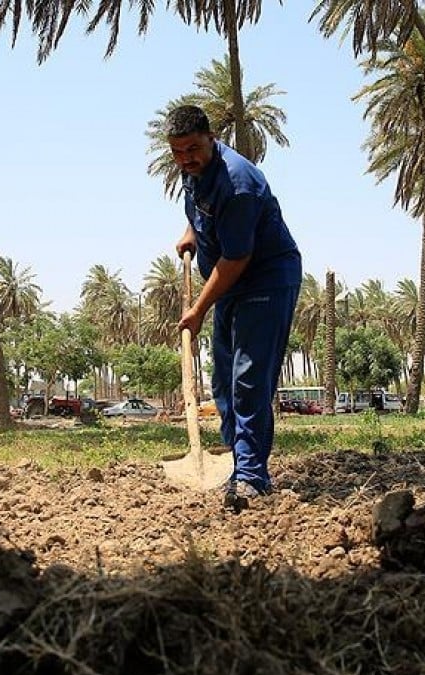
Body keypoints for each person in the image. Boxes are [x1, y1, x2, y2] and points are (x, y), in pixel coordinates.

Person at [165, 105, 302, 511]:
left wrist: (198, 311)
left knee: (248, 380)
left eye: (192, 148)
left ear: (211, 137)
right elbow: (202, 210)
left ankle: (251, 476)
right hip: (227, 283)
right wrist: (191, 233)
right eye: (177, 151)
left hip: (263, 278)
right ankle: (235, 460)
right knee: (224, 381)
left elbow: (237, 259)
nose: (185, 158)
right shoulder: (194, 172)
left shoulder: (238, 183)